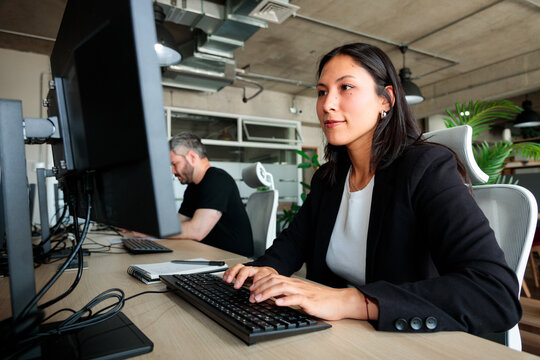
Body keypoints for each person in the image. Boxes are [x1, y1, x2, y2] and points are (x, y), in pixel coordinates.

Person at [224, 43, 521, 334]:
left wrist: (351, 301)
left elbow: (494, 293)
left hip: (397, 340)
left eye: (346, 88)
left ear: (386, 100)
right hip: (334, 334)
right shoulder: (329, 177)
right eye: (322, 91)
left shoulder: (426, 168)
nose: (327, 104)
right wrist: (266, 270)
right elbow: (293, 243)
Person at [166, 132, 253, 257]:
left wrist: (152, 232)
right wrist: (146, 228)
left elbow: (197, 231)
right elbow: (177, 223)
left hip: (233, 260)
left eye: (175, 164)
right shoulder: (192, 187)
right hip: (207, 254)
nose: (173, 171)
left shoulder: (218, 180)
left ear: (192, 157)